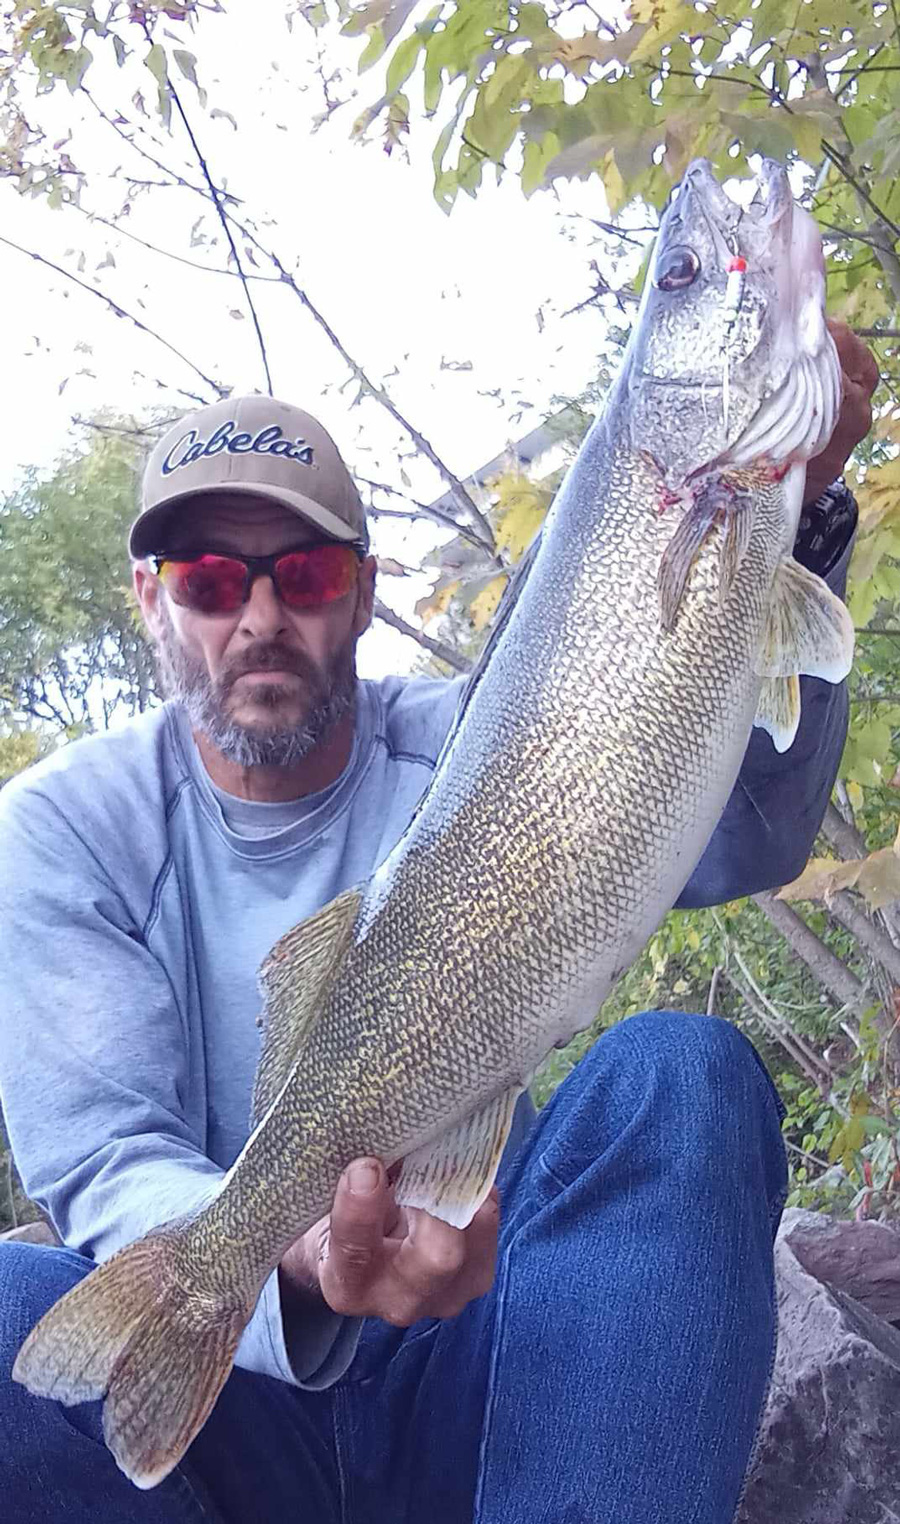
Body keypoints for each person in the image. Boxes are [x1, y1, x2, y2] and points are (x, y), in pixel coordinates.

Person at [0, 325, 878, 1524]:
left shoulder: (488, 743)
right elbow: (104, 1161)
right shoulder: (60, 829)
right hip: (241, 1418)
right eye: (210, 580)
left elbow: (744, 840)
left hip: (494, 1364)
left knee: (686, 1072)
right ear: (154, 602)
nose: (257, 616)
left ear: (359, 590)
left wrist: (801, 519)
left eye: (301, 575)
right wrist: (292, 1260)